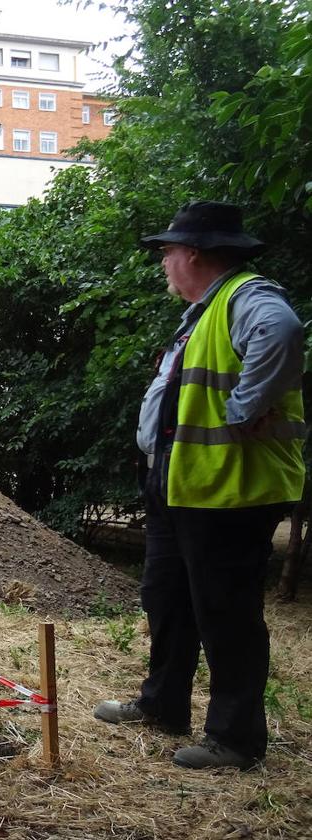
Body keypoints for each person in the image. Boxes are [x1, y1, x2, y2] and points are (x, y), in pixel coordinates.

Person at [94, 200, 306, 770]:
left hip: (229, 494)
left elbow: (283, 331)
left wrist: (244, 410)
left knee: (225, 615)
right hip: (182, 488)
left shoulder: (246, 297)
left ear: (194, 254)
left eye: (168, 253)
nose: (163, 263)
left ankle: (234, 739)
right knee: (167, 601)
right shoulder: (204, 311)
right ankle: (163, 705)